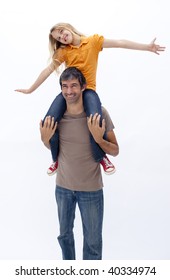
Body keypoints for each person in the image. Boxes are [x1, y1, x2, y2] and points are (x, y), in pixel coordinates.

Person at [15, 22, 165, 176]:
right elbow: (47, 70)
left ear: (68, 27)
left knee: (95, 119)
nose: (62, 37)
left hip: (88, 90)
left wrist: (147, 47)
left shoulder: (93, 42)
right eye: (58, 38)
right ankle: (56, 159)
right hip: (70, 91)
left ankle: (102, 157)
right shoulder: (63, 52)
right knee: (49, 121)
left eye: (61, 31)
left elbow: (120, 43)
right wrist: (30, 89)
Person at [40, 67, 119, 260]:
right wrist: (45, 139)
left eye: (74, 85)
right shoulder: (56, 118)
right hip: (63, 189)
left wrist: (99, 139)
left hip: (91, 190)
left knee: (92, 242)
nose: (69, 91)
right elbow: (53, 147)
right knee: (64, 236)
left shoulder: (100, 113)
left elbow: (115, 150)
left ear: (83, 87)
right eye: (65, 86)